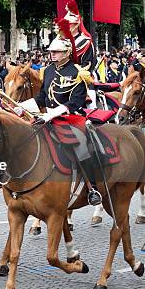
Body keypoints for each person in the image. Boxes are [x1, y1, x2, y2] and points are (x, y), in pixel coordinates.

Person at [32, 19, 100, 206]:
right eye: (51, 52)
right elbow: (41, 97)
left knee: (81, 146)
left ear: (67, 52)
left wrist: (52, 114)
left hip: (70, 118)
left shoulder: (78, 72)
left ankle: (92, 187)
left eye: (56, 52)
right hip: (48, 118)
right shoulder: (47, 71)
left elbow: (76, 102)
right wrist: (21, 106)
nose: (52, 55)